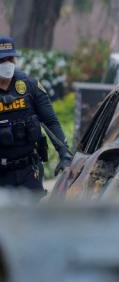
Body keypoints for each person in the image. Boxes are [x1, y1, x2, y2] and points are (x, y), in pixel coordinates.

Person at [0, 36, 71, 194]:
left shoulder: (29, 86)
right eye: (2, 59)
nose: (7, 64)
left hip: (29, 172)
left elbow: (50, 122)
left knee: (30, 217)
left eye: (10, 59)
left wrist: (64, 154)